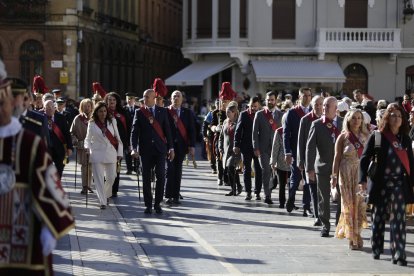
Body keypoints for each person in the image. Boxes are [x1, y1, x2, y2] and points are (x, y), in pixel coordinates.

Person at [0, 59, 75, 275]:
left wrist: (50, 229)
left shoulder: (29, 144)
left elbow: (51, 187)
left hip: (23, 236)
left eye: (3, 103)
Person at [359, 104, 414, 266]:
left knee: (399, 220)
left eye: (398, 115)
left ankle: (399, 253)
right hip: (380, 184)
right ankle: (376, 246)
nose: (396, 118)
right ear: (387, 118)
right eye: (392, 115)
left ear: (402, 119)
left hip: (399, 185)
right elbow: (364, 158)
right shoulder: (378, 136)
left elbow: (411, 163)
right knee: (379, 218)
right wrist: (362, 180)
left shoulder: (405, 138)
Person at [131, 89, 174, 214]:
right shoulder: (139, 112)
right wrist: (134, 148)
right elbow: (134, 132)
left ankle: (157, 203)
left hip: (160, 149)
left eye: (147, 96)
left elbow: (168, 131)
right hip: (145, 150)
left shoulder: (163, 111)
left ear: (154, 97)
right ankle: (148, 204)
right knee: (146, 177)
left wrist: (171, 148)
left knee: (161, 175)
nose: (144, 99)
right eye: (143, 96)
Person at [331, 109, 369, 250]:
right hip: (346, 176)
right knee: (348, 206)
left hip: (360, 176)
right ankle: (352, 237)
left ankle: (357, 234)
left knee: (359, 206)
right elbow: (337, 157)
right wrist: (334, 177)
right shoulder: (343, 137)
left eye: (359, 118)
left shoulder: (366, 136)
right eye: (354, 118)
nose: (357, 121)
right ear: (348, 119)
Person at [306, 96, 343, 237]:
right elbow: (310, 148)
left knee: (341, 196)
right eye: (324, 105)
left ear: (336, 109)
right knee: (323, 198)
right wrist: (310, 168)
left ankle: (340, 223)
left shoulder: (342, 123)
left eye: (328, 106)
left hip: (340, 166)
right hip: (322, 165)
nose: (325, 108)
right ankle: (325, 225)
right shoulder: (316, 124)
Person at [85, 101, 123, 209]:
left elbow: (118, 138)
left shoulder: (112, 121)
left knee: (112, 177)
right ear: (96, 112)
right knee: (99, 179)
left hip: (111, 152)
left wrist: (120, 152)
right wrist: (87, 147)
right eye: (100, 111)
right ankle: (102, 201)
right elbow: (87, 139)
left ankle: (105, 195)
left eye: (105, 111)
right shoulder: (92, 123)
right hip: (97, 153)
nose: (103, 113)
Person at [283, 87, 312, 214]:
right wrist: (287, 152)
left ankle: (306, 206)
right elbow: (286, 134)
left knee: (308, 179)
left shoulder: (313, 112)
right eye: (304, 95)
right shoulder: (292, 113)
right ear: (299, 97)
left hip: (310, 152)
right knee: (295, 178)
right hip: (296, 151)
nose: (306, 98)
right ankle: (291, 198)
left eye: (308, 95)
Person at [165, 90, 196, 204]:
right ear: (170, 99)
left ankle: (176, 195)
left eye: (178, 96)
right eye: (174, 96)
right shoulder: (166, 111)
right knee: (170, 170)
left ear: (182, 99)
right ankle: (168, 195)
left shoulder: (187, 112)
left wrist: (192, 145)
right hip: (169, 145)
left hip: (182, 146)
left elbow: (192, 130)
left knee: (178, 170)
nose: (176, 98)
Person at [297, 95, 324, 226]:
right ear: (312, 106)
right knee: (313, 189)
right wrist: (301, 160)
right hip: (310, 161)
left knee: (323, 190)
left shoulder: (328, 119)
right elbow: (301, 142)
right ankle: (317, 215)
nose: (318, 107)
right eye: (316, 104)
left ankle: (322, 212)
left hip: (325, 161)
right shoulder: (306, 120)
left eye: (320, 104)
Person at [252, 91, 283, 204]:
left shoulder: (281, 115)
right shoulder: (259, 114)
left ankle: (272, 188)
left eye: (272, 100)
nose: (270, 102)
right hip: (263, 149)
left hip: (277, 149)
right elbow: (255, 133)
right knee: (266, 170)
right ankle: (267, 195)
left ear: (276, 101)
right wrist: (256, 148)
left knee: (275, 173)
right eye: (268, 100)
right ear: (265, 100)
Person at [234, 96, 262, 200]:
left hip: (258, 147)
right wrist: (236, 144)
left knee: (259, 170)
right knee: (247, 169)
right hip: (246, 146)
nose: (253, 108)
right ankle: (248, 192)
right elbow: (238, 130)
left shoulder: (261, 114)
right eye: (251, 106)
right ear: (248, 105)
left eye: (255, 106)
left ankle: (257, 192)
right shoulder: (244, 114)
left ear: (258, 106)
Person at [104, 92, 131, 197]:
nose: (111, 102)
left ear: (117, 101)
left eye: (114, 100)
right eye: (110, 100)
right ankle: (106, 188)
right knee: (107, 166)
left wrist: (129, 144)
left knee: (116, 166)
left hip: (119, 144)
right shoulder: (103, 112)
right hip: (106, 144)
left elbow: (128, 128)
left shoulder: (123, 112)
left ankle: (114, 189)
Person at [211, 83, 237, 186]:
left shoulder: (235, 112)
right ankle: (220, 176)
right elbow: (211, 125)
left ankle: (227, 178)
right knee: (219, 156)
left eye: (226, 101)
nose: (223, 103)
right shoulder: (216, 112)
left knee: (230, 158)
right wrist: (215, 128)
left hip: (231, 138)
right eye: (222, 101)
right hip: (219, 137)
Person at [43, 99, 73, 178]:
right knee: (45, 169)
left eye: (52, 106)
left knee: (59, 169)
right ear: (44, 108)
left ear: (55, 108)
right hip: (45, 148)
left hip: (59, 148)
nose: (50, 108)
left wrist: (70, 147)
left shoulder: (61, 118)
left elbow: (67, 133)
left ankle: (57, 184)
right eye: (47, 106)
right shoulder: (40, 117)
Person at [70, 98, 94, 194]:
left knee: (91, 166)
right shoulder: (78, 118)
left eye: (88, 106)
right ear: (81, 107)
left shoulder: (94, 119)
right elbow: (72, 132)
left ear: (91, 107)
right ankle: (84, 186)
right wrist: (75, 140)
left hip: (93, 146)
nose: (87, 108)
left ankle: (89, 185)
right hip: (82, 145)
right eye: (85, 106)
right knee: (84, 166)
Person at [219, 101, 242, 196]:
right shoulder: (225, 122)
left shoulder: (239, 122)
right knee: (230, 170)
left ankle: (236, 188)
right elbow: (221, 136)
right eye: (226, 112)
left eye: (229, 112)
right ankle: (236, 188)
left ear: (234, 113)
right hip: (226, 150)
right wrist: (220, 147)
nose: (227, 114)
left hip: (235, 150)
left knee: (230, 167)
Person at [270, 114, 290, 208]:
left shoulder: (295, 130)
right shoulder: (279, 131)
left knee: (291, 184)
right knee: (282, 184)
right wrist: (273, 162)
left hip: (292, 162)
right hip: (281, 162)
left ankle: (291, 202)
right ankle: (282, 202)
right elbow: (275, 148)